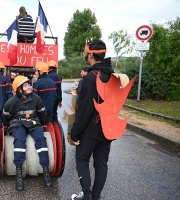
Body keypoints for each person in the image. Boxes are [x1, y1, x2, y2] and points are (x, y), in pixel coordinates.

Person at [70, 39, 114, 200]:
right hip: (108, 128)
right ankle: (96, 196)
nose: (84, 55)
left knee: (82, 160)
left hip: (90, 129)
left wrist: (75, 134)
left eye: (84, 52)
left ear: (90, 54)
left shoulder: (90, 78)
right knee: (101, 164)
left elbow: (84, 110)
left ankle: (87, 195)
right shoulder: (112, 76)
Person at [2, 75, 52, 191]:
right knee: (19, 141)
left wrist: (39, 124)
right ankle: (19, 174)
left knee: (41, 139)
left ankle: (45, 171)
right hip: (18, 124)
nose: (29, 86)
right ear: (19, 89)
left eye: (29, 84)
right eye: (25, 85)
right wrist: (13, 125)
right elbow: (6, 117)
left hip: (34, 123)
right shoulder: (12, 102)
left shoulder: (36, 99)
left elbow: (42, 114)